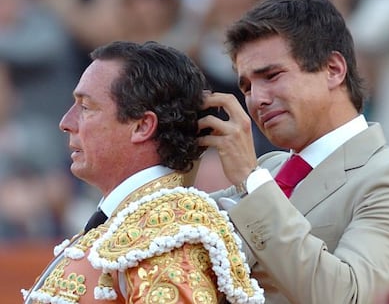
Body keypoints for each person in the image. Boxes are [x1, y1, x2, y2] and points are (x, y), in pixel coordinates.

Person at [197, 0, 389, 303]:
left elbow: (348, 297)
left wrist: (252, 181)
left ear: (333, 69)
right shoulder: (269, 169)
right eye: (246, 87)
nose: (257, 99)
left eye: (272, 75)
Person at [21, 41, 265, 304]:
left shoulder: (168, 233)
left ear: (142, 126)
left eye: (86, 107)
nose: (66, 123)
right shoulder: (137, 221)